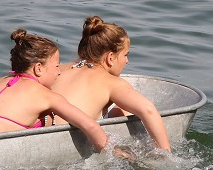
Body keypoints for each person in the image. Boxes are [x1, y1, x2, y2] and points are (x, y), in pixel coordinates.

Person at [0, 29, 110, 153]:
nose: (58, 72)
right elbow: (90, 126)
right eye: (56, 66)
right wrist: (110, 153)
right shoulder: (46, 96)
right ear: (38, 68)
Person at [50, 16, 172, 153]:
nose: (127, 61)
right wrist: (166, 153)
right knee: (124, 110)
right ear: (110, 57)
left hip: (42, 131)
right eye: (125, 55)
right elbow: (148, 110)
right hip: (67, 143)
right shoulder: (111, 82)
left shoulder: (59, 68)